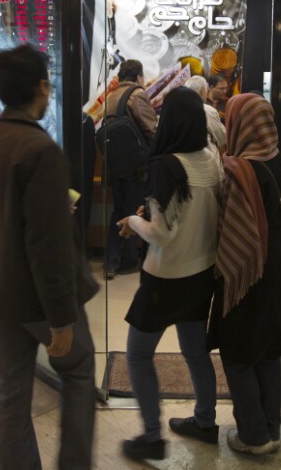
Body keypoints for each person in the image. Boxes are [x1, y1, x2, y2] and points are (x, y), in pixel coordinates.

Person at [0, 44, 99, 470]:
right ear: (41, 86)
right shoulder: (40, 150)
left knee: (10, 392)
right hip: (39, 299)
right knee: (78, 371)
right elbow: (48, 246)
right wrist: (61, 316)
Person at [116, 86, 222, 461]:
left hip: (164, 278)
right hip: (202, 273)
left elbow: (161, 234)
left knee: (138, 355)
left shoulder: (164, 166)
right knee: (195, 353)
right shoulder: (211, 159)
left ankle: (151, 437)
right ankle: (205, 422)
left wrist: (132, 221)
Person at [209, 93, 281, 456]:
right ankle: (271, 430)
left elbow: (225, 229)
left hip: (247, 275)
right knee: (269, 350)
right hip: (279, 269)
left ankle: (254, 437)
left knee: (238, 354)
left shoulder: (238, 170)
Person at [103, 59, 158, 279]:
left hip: (116, 165)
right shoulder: (137, 95)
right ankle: (128, 261)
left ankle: (112, 261)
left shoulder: (111, 96)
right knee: (134, 210)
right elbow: (151, 130)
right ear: (138, 77)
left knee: (119, 210)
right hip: (136, 166)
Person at [183, 75, 227, 153]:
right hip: (204, 155)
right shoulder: (208, 110)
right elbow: (222, 139)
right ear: (202, 92)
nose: (225, 91)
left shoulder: (177, 109)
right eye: (221, 88)